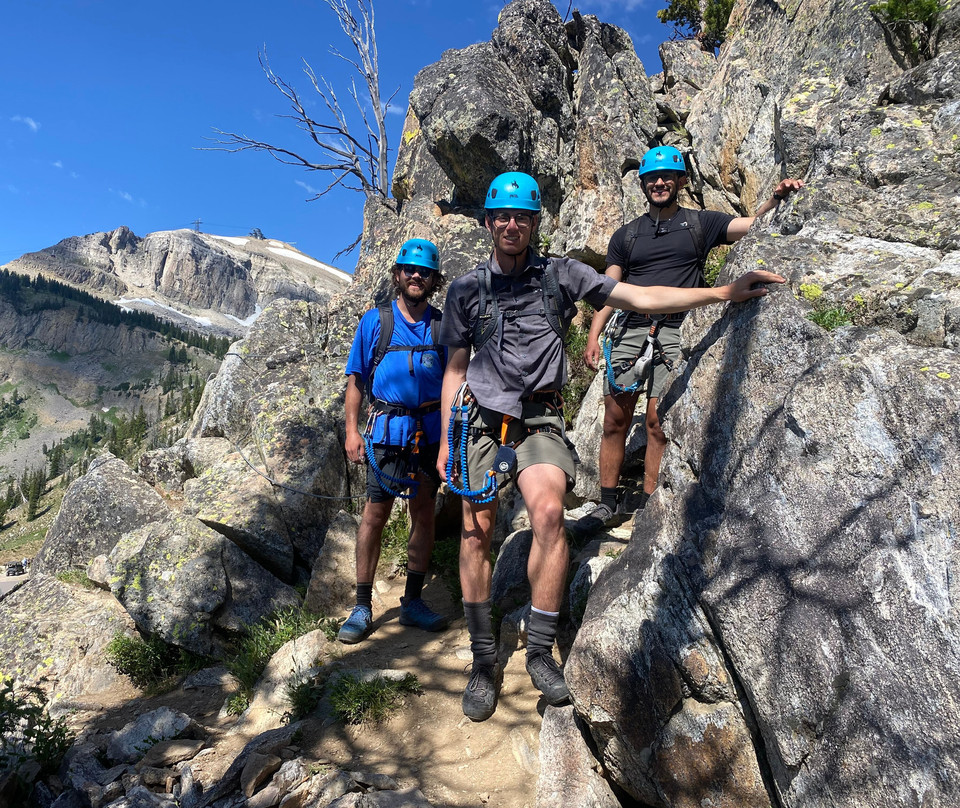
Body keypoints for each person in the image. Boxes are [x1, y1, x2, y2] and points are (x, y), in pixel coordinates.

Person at [438, 171, 786, 721]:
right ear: (487, 222)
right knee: (475, 531)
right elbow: (455, 368)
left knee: (549, 513)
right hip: (478, 418)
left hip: (538, 418)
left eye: (522, 217)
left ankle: (539, 651)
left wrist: (721, 291)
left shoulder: (562, 274)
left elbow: (641, 295)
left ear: (534, 223)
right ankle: (484, 660)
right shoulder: (464, 290)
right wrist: (445, 441)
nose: (511, 225)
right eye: (502, 216)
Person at [584, 146, 804, 524]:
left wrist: (775, 198)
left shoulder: (700, 224)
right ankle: (607, 502)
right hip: (631, 330)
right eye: (651, 178)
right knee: (614, 419)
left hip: (677, 331)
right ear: (642, 184)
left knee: (658, 420)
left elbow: (750, 226)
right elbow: (610, 287)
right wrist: (593, 333)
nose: (658, 183)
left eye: (667, 177)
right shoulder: (626, 236)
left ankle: (649, 505)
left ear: (681, 181)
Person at [338, 238, 451, 644]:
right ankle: (362, 605)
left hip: (429, 434)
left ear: (434, 280)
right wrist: (352, 431)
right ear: (398, 275)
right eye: (410, 270)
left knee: (423, 513)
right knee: (374, 516)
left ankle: (412, 601)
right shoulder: (375, 322)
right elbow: (355, 382)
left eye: (424, 272)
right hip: (386, 434)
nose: (416, 276)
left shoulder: (442, 325)